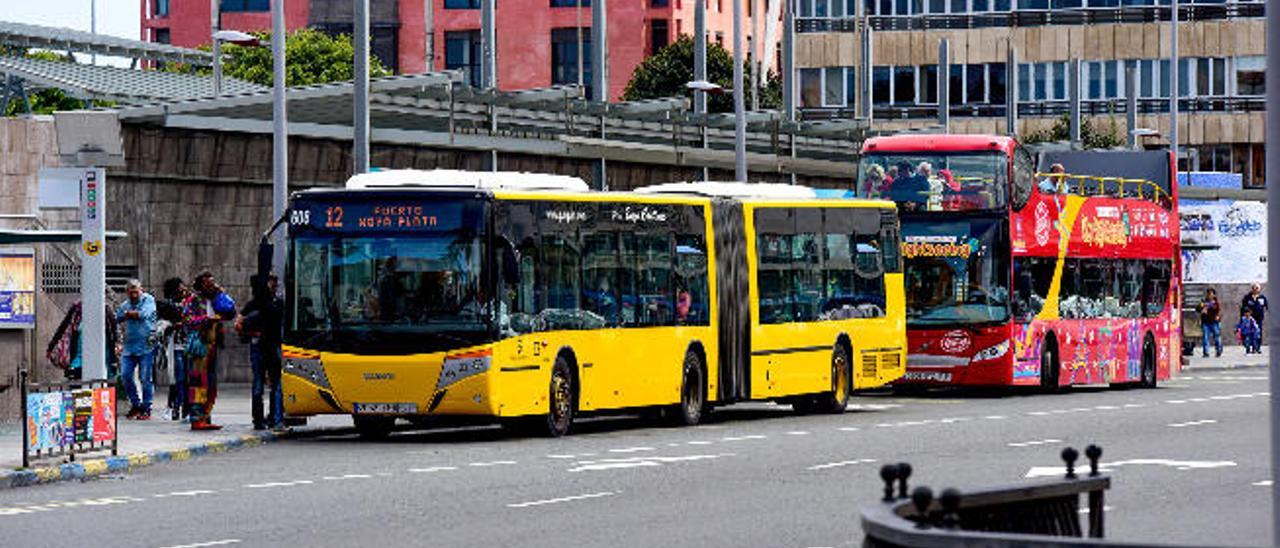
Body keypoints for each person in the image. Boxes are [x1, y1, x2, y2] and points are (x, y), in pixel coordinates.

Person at [183, 271, 235, 431]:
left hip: (212, 346)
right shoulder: (193, 300)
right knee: (198, 383)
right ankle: (196, 418)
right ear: (200, 285)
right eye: (208, 284)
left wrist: (221, 293)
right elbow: (187, 320)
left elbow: (231, 312)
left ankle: (206, 416)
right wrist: (206, 320)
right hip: (199, 347)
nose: (212, 286)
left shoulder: (215, 299)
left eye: (213, 283)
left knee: (210, 384)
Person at [238, 274, 285, 430]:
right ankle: (261, 419)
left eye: (275, 284)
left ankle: (272, 417)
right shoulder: (256, 304)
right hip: (261, 347)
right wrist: (253, 333)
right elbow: (239, 324)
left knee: (274, 383)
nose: (275, 287)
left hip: (272, 346)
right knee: (262, 383)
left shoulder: (277, 303)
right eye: (272, 284)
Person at [47, 299, 119, 381]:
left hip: (101, 357)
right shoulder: (77, 309)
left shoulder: (105, 309)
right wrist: (52, 346)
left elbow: (113, 331)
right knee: (78, 381)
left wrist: (116, 348)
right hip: (81, 357)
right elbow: (63, 326)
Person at [117, 280, 159, 420]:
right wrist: (129, 314)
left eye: (136, 291)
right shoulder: (125, 304)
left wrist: (128, 314)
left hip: (146, 346)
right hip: (129, 346)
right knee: (126, 375)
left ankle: (146, 408)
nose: (134, 294)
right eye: (131, 292)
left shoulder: (148, 300)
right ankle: (136, 404)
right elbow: (118, 317)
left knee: (145, 378)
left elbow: (144, 314)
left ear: (141, 289)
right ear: (127, 292)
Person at [158, 278, 191, 420]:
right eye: (180, 287)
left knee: (188, 379)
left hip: (189, 345)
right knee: (178, 378)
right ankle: (175, 407)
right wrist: (172, 325)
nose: (183, 289)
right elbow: (160, 324)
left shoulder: (190, 303)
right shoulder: (167, 305)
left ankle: (185, 409)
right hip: (176, 346)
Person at [1241, 283, 1268, 348]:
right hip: (1250, 319)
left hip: (1259, 318)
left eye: (1257, 288)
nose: (1255, 289)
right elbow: (1243, 307)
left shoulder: (1262, 297)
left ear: (1259, 289)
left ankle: (1258, 346)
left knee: (1258, 332)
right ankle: (1251, 346)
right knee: (1250, 332)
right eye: (1253, 288)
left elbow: (1266, 306)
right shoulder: (1247, 297)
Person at [1198, 288, 1222, 358]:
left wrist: (1218, 317)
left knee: (1217, 337)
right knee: (1205, 337)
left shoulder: (1216, 302)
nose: (1209, 295)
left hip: (1214, 322)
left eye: (1211, 294)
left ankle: (1218, 350)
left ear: (1214, 295)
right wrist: (1201, 308)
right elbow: (1198, 309)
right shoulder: (1203, 301)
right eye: (1208, 294)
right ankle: (1206, 352)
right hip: (1205, 322)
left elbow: (1218, 310)